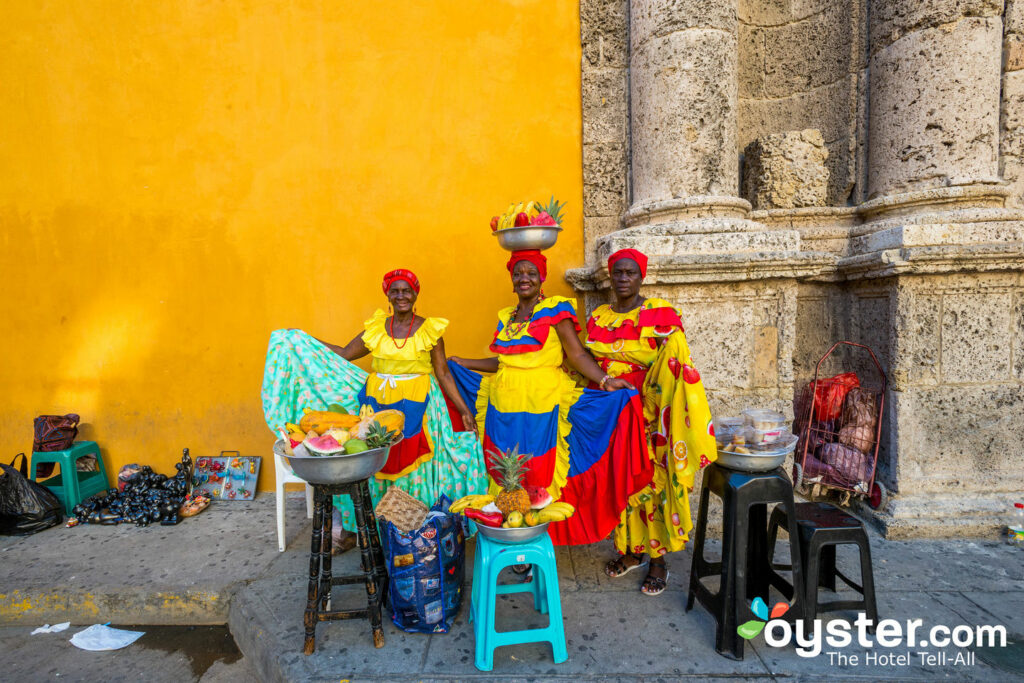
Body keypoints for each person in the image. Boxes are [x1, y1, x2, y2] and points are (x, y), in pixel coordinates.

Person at [261, 268, 487, 549]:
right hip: (377, 404)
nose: (401, 295)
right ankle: (373, 529)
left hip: (421, 404)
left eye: (407, 290)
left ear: (416, 294)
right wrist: (305, 339)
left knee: (413, 467)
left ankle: (414, 531)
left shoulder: (430, 330)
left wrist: (464, 410)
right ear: (387, 296)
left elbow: (443, 373)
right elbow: (344, 353)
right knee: (375, 462)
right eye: (395, 291)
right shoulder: (376, 329)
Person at [447, 249, 654, 546]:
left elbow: (577, 354)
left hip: (544, 407)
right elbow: (504, 361)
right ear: (512, 279)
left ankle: (538, 536)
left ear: (542, 278)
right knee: (509, 472)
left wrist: (605, 380)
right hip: (503, 409)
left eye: (531, 273)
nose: (524, 279)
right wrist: (467, 363)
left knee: (539, 471)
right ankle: (514, 530)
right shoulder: (507, 318)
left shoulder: (556, 311)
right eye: (518, 273)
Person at [586, 248, 717, 596]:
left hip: (650, 418)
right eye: (618, 273)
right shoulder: (599, 317)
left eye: (630, 273)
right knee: (623, 483)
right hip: (612, 417)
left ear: (641, 277)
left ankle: (658, 562)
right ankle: (632, 552)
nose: (623, 278)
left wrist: (652, 406)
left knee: (652, 484)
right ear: (610, 277)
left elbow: (676, 361)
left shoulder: (660, 314)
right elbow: (584, 361)